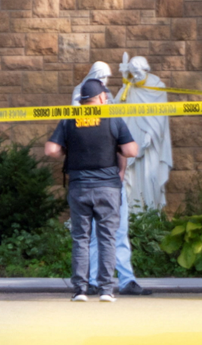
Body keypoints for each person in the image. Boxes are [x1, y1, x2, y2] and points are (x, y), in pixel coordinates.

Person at [45, 79, 138, 302]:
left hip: (79, 187)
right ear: (102, 98)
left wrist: (67, 152)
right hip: (107, 187)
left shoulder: (69, 119)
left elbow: (51, 150)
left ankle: (80, 290)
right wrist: (115, 146)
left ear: (83, 100)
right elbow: (131, 150)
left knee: (81, 238)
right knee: (107, 238)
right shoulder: (111, 118)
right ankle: (106, 290)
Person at [73, 62, 152, 296]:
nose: (106, 87)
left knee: (119, 231)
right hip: (91, 182)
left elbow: (123, 146)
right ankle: (95, 281)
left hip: (111, 182)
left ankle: (126, 280)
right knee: (96, 235)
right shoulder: (79, 107)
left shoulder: (112, 111)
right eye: (102, 80)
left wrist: (121, 172)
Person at [115, 53, 174, 210]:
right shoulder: (130, 85)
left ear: (145, 70)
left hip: (151, 140)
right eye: (133, 73)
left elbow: (159, 116)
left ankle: (150, 211)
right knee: (131, 175)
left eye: (138, 73)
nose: (135, 76)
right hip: (133, 136)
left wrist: (150, 133)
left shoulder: (156, 86)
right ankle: (133, 212)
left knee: (150, 175)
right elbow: (117, 108)